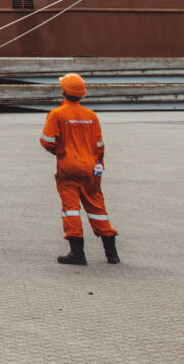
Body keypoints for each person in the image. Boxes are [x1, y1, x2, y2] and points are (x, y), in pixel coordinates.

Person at [41, 72, 119, 265]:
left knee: (71, 209)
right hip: (92, 168)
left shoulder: (57, 114)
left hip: (69, 168)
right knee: (97, 209)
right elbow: (99, 145)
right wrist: (99, 166)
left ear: (64, 92)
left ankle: (77, 253)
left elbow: (47, 141)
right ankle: (112, 254)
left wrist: (60, 151)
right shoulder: (91, 116)